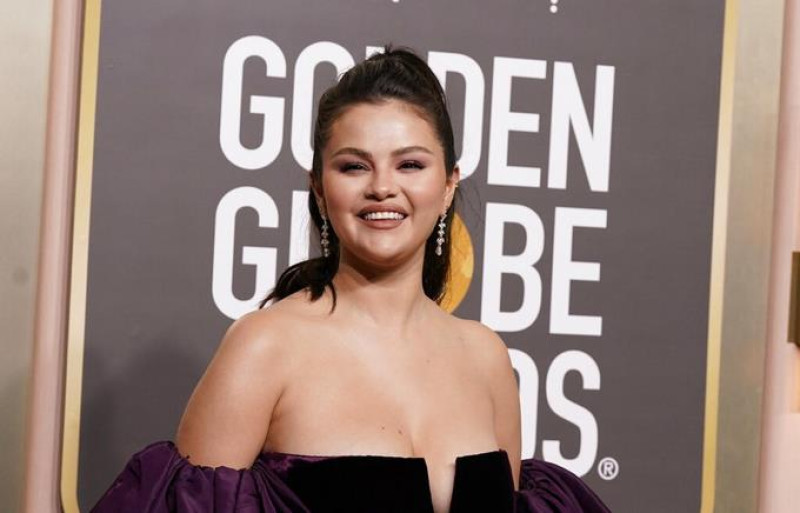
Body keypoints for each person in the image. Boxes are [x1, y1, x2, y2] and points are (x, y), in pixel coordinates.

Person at [90, 45, 611, 513]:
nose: (383, 188)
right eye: (354, 167)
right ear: (318, 188)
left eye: (410, 164)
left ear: (449, 185)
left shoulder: (486, 358)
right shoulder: (265, 345)